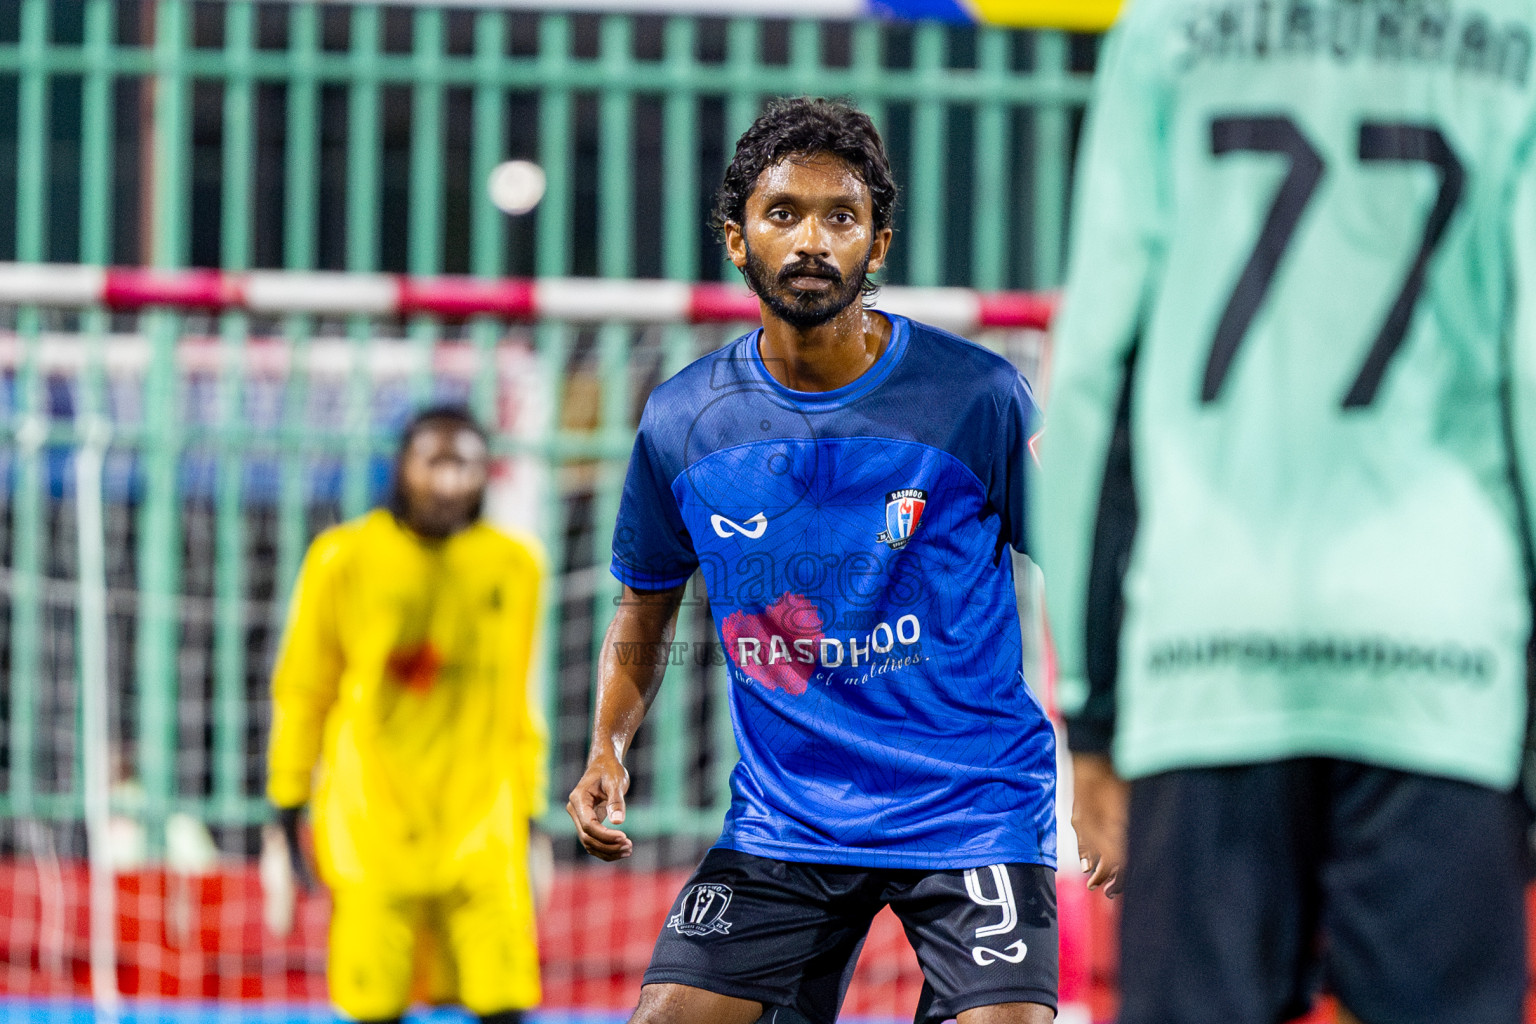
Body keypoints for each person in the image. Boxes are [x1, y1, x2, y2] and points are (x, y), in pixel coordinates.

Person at [1036, 3, 1536, 1022]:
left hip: (1207, 642)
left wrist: (1090, 708)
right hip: (1444, 646)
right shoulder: (1514, 31)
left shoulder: (1167, 28)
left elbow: (1092, 373)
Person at [565, 96, 1058, 1024]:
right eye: (783, 213)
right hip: (787, 819)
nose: (811, 241)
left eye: (842, 217)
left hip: (972, 806)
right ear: (736, 238)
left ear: (878, 245)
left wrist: (1109, 757)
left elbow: (1078, 562)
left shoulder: (978, 395)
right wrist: (607, 748)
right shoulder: (682, 420)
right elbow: (644, 604)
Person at [266, 405, 548, 1024]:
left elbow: (518, 699)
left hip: (482, 823)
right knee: (374, 1005)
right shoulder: (343, 559)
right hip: (372, 820)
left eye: (465, 465)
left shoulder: (515, 565)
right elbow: (304, 689)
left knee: (505, 1001)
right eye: (434, 463)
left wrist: (532, 810)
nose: (449, 482)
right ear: (401, 468)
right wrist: (286, 805)